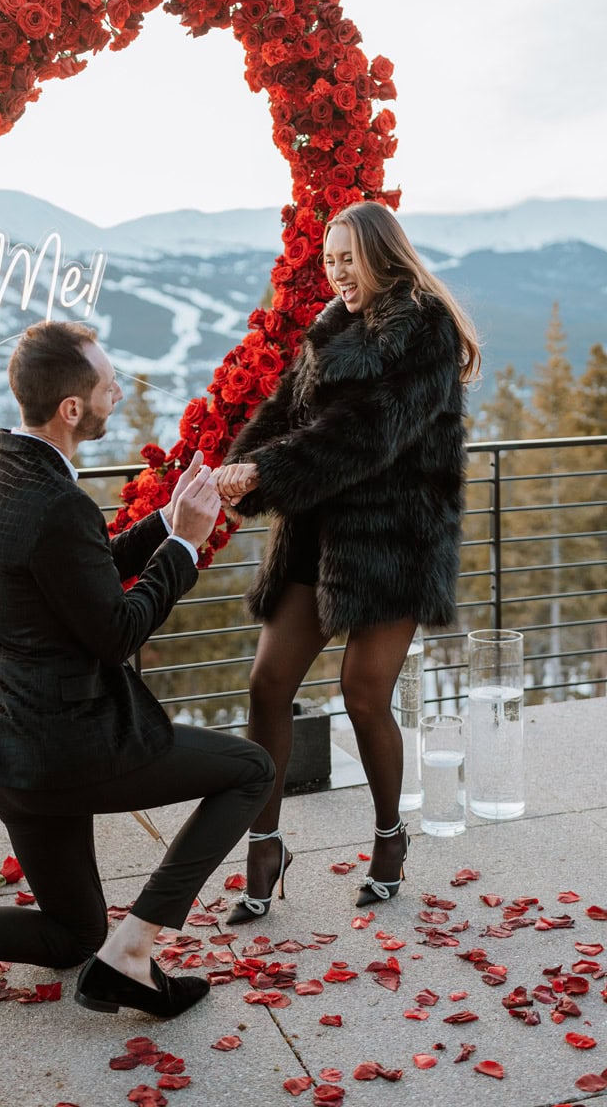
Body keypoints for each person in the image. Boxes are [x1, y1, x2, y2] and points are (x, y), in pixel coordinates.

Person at [0, 321, 275, 1040]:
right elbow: (116, 632)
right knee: (251, 770)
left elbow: (78, 573)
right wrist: (188, 546)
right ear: (73, 409)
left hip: (11, 752)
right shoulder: (59, 502)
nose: (119, 393)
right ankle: (132, 954)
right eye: (108, 385)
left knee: (71, 932)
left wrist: (168, 517)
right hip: (73, 749)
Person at [214, 201, 480, 920]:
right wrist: (240, 467)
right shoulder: (330, 328)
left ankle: (390, 838)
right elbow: (286, 412)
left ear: (381, 254)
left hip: (396, 539)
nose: (336, 274)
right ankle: (265, 845)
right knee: (267, 685)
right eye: (329, 262)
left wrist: (268, 470)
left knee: (364, 692)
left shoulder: (424, 329)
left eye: (347, 260)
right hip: (314, 535)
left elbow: (365, 435)